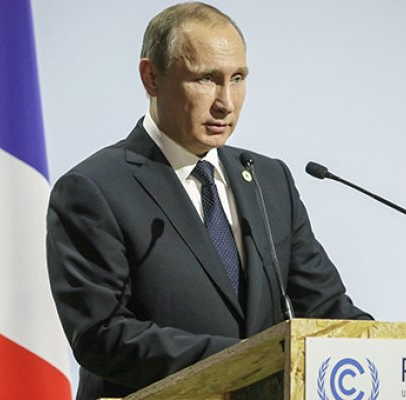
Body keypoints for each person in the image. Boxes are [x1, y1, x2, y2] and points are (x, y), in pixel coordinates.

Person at [46, 2, 373, 399]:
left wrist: (392, 354)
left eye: (237, 78)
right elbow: (103, 335)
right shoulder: (93, 189)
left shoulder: (269, 181)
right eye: (206, 79)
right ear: (151, 77)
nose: (226, 102)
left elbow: (327, 310)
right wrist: (250, 360)